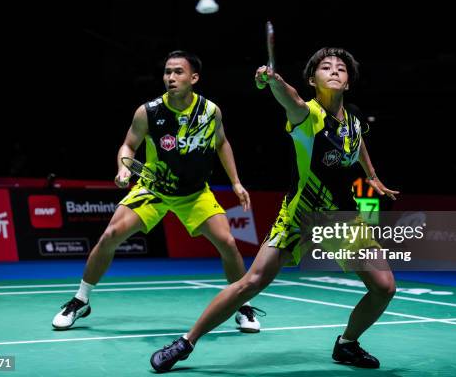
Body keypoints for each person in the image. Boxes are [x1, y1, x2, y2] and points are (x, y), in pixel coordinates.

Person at [150, 47, 400, 372]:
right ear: (313, 79)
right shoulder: (307, 115)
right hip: (299, 217)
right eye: (326, 67)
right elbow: (291, 100)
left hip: (342, 220)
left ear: (349, 82)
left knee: (384, 287)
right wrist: (275, 81)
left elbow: (358, 142)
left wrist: (373, 176)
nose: (335, 70)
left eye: (341, 68)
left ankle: (347, 344)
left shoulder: (352, 120)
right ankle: (186, 342)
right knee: (251, 281)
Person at [52, 50, 263, 333]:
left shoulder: (211, 111)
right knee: (110, 236)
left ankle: (242, 306)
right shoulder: (148, 111)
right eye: (167, 72)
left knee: (227, 243)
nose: (171, 77)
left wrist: (236, 182)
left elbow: (222, 143)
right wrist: (123, 168)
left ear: (194, 78)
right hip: (154, 188)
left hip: (194, 193)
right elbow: (128, 145)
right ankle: (81, 300)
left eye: (178, 72)